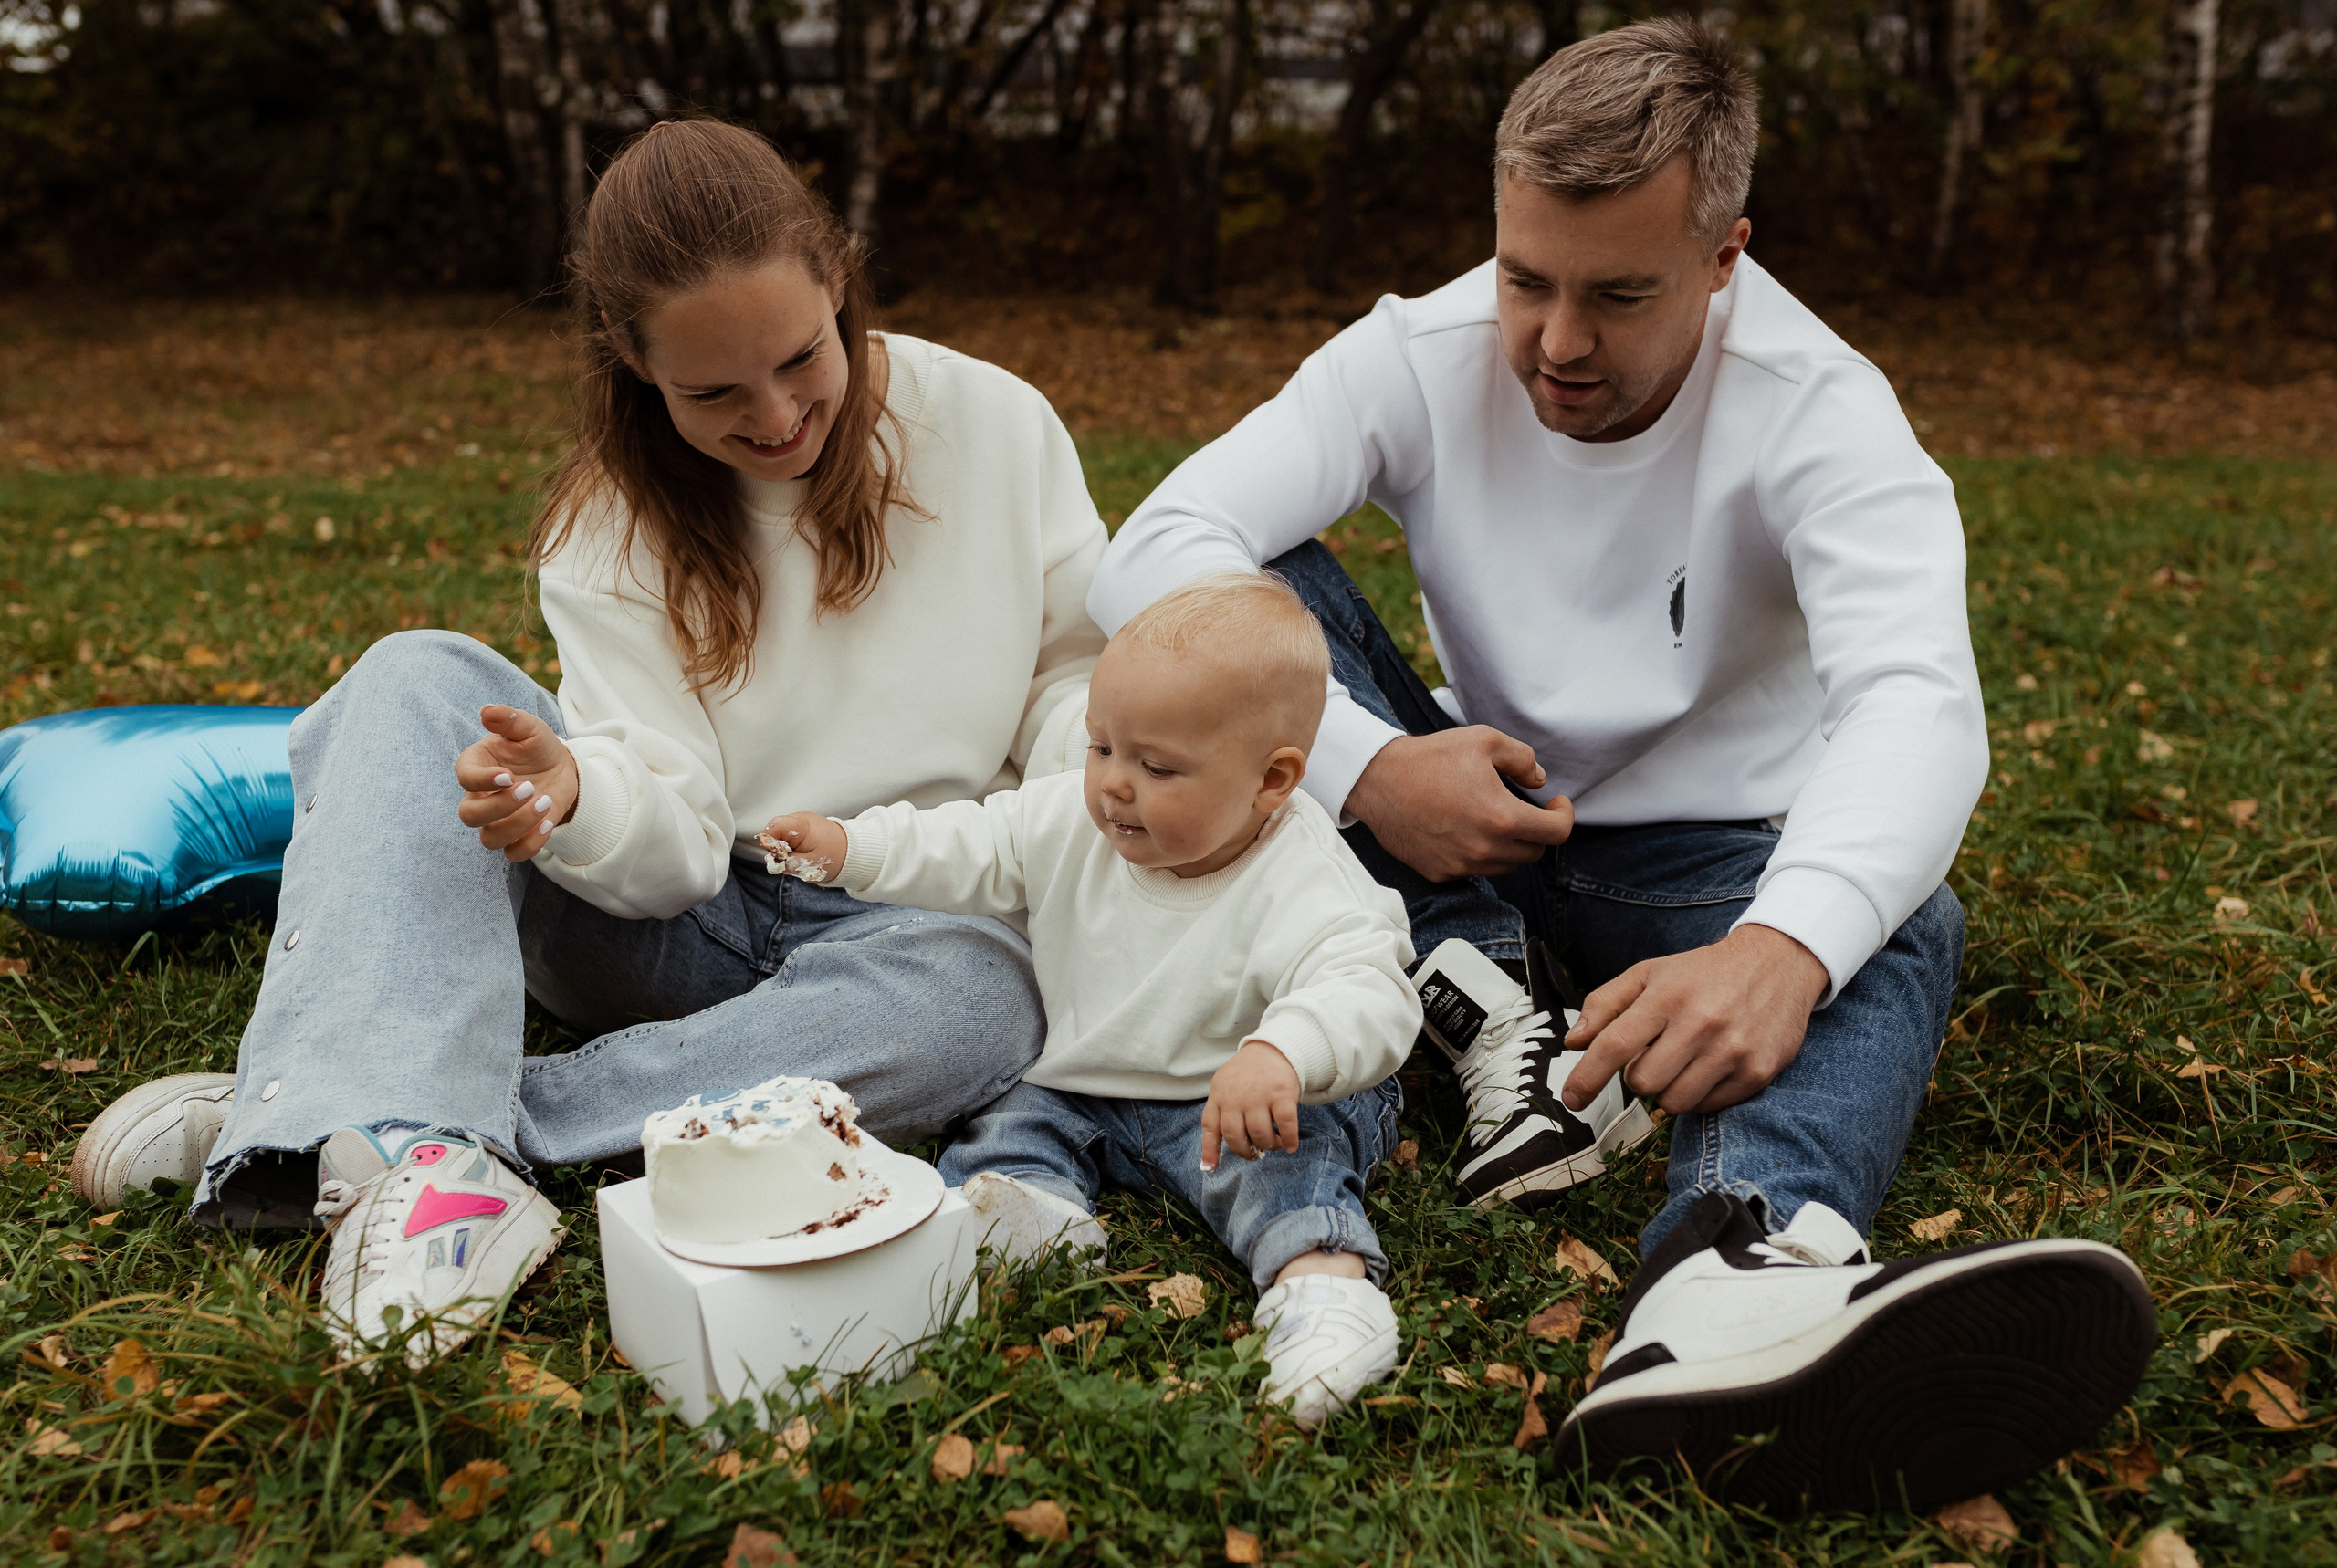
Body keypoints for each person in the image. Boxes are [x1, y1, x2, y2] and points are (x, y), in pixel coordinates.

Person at [1087, 18, 2154, 1509]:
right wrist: (1370, 765)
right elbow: (1149, 552)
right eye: (1527, 278)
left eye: (1619, 293)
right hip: (1453, 828)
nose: (1558, 341)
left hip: (1698, 868)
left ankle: (1729, 1281)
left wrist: (1780, 945)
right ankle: (1487, 1001)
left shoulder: (1821, 405)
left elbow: (1916, 696)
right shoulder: (1420, 350)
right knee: (1255, 572)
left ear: (1726, 255)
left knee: (1895, 914)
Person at [68, 119, 1108, 1366]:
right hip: (679, 909)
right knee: (414, 675)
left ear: (838, 277)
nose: (776, 417)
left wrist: (1086, 800)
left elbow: (1074, 677)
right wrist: (574, 795)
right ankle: (397, 1121)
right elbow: (666, 843)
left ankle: (373, 1124)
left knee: (985, 995)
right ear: (630, 355)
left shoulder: (995, 423)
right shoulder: (610, 520)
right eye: (714, 392)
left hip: (909, 914)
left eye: (797, 359)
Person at [760, 574, 1421, 1424]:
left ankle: (1325, 1292)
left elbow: (1366, 985)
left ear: (1272, 780)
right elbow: (974, 839)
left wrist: (1282, 1052)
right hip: (1084, 1084)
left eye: (1156, 766)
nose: (1113, 784)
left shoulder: (1302, 877)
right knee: (1007, 1126)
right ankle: (1035, 1217)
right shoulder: (1079, 823)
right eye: (1102, 746)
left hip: (1231, 1100)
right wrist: (853, 846)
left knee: (1286, 1173)